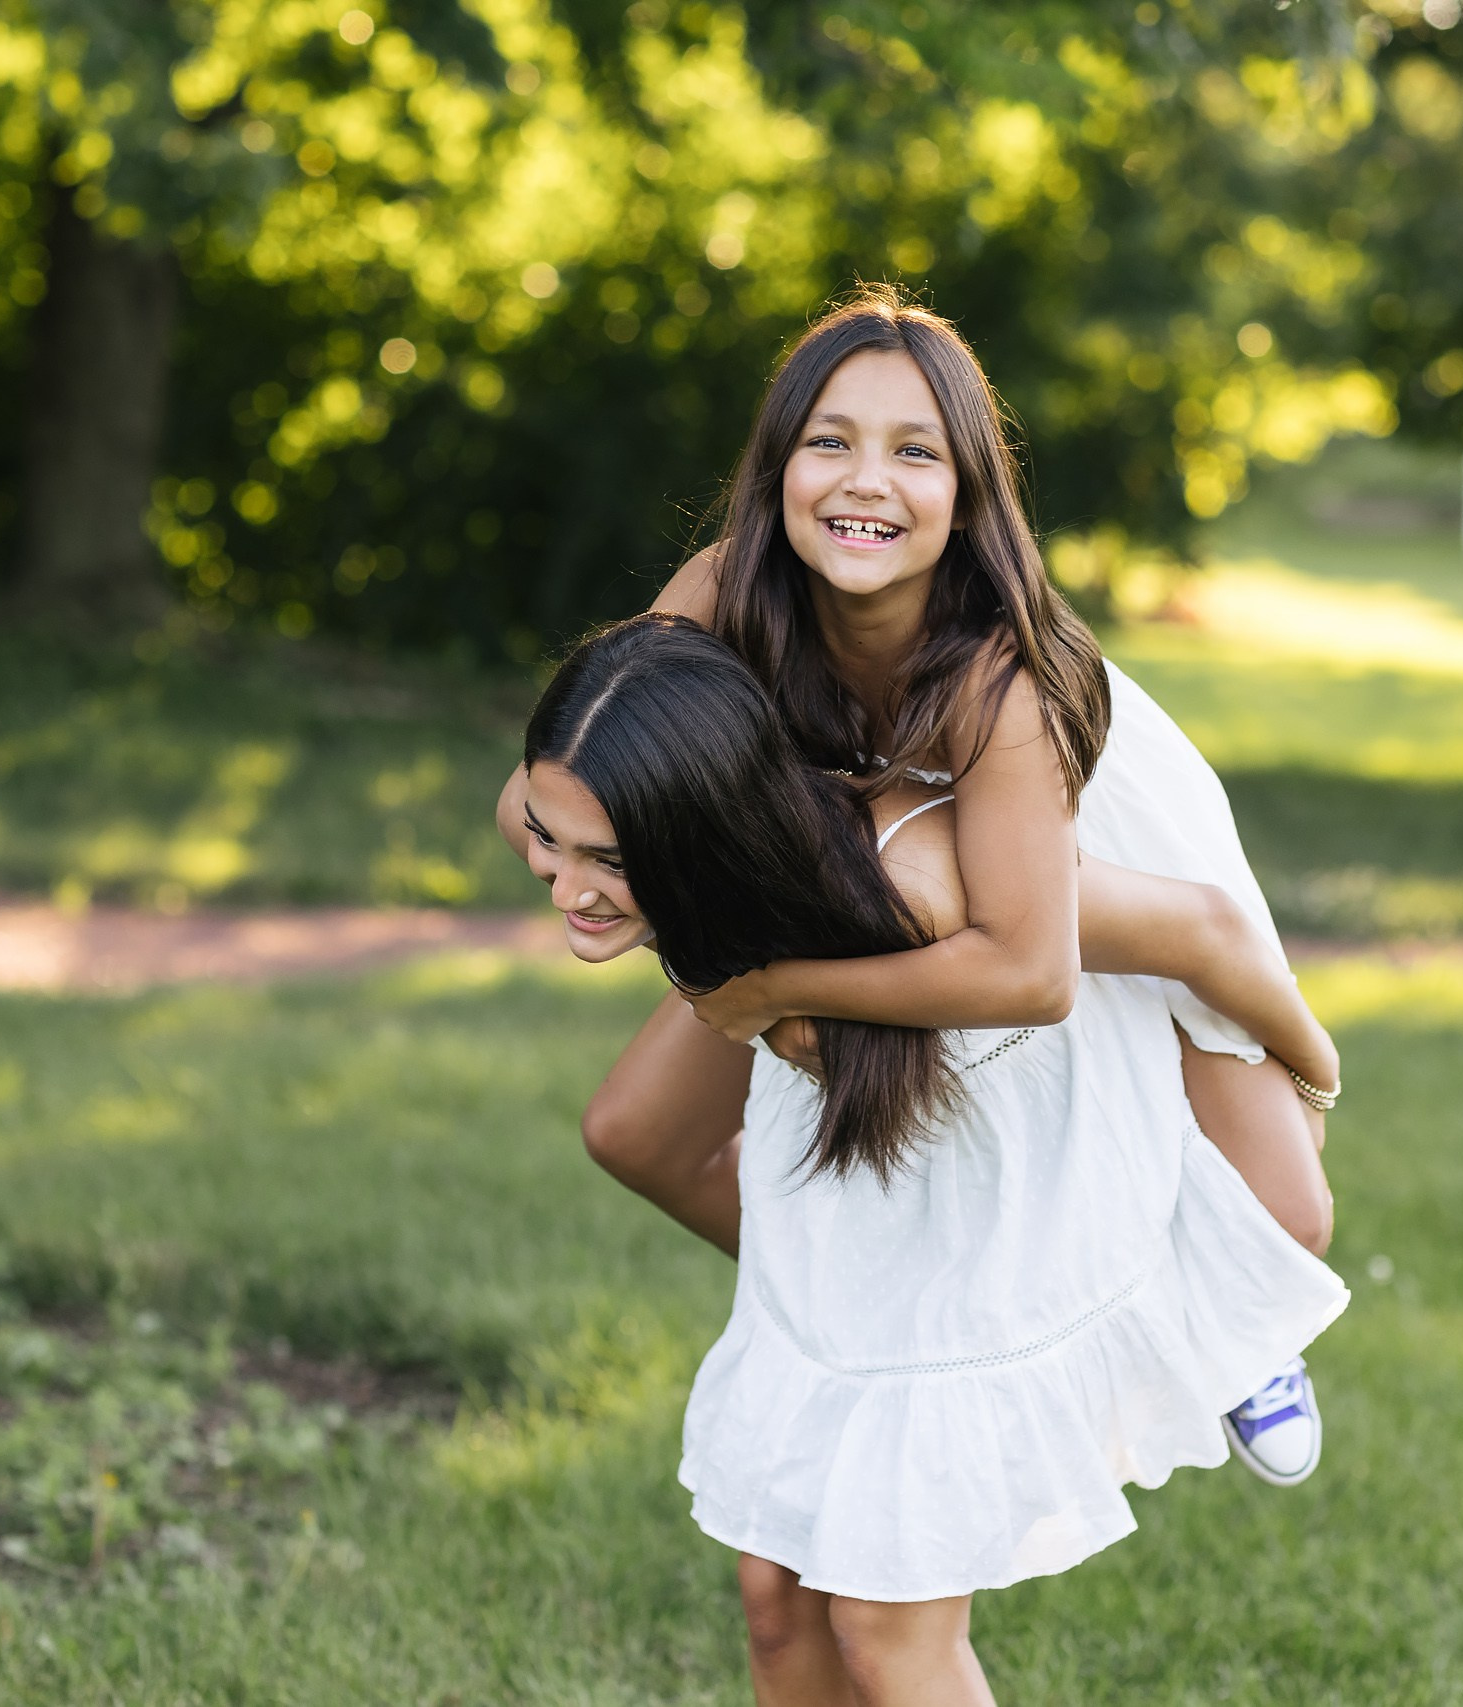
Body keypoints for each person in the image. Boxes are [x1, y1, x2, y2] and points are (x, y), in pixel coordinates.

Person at [495, 288, 1339, 1482]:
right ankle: (886, 1324)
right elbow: (548, 794)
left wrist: (1311, 1058)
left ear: (968, 492)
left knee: (1286, 1217)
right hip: (840, 859)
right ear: (777, 465)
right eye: (828, 441)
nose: (863, 481)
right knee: (636, 1132)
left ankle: (1230, 1331)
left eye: (914, 451)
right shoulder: (720, 594)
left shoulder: (999, 681)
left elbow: (1041, 967)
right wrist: (622, 879)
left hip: (1057, 848)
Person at [521, 614, 1349, 1705]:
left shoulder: (919, 874)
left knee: (881, 1624)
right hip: (893, 1196)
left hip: (1034, 1185)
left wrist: (1311, 1074)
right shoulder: (702, 873)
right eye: (546, 838)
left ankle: (1218, 1331)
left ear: (700, 828)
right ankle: (837, 1340)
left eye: (609, 861)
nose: (566, 890)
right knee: (778, 1599)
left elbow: (1200, 930)